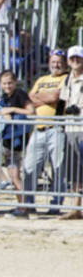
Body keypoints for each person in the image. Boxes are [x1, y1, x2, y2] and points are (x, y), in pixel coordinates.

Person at [0, 70, 33, 217]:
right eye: (4, 83)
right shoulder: (4, 96)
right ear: (1, 85)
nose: (7, 86)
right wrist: (4, 112)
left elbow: (31, 111)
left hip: (13, 139)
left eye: (10, 83)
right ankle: (23, 208)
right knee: (16, 175)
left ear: (15, 82)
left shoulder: (20, 94)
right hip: (11, 139)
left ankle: (4, 180)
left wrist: (13, 109)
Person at [22, 48, 68, 213]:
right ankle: (28, 202)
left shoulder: (67, 78)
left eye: (59, 62)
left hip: (56, 129)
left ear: (65, 64)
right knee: (30, 166)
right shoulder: (41, 79)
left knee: (57, 167)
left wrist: (40, 97)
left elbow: (56, 97)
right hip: (38, 129)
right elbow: (29, 99)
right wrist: (46, 97)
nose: (56, 65)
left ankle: (56, 203)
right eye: (53, 62)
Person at [58, 45, 83, 220]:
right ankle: (76, 207)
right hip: (71, 128)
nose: (75, 61)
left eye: (78, 58)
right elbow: (63, 103)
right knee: (75, 170)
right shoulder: (67, 80)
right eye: (72, 58)